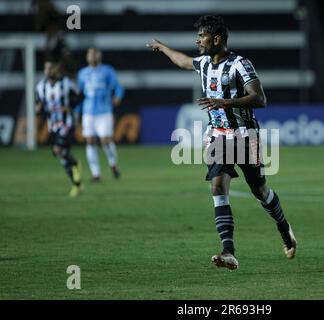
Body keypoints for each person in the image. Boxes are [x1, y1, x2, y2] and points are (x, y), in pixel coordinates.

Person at [148, 15, 297, 270]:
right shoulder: (204, 63)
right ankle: (228, 251)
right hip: (218, 135)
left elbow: (259, 98)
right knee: (217, 187)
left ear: (216, 39)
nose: (198, 41)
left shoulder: (240, 64)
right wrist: (162, 48)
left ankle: (284, 228)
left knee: (259, 190)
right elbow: (183, 61)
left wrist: (225, 102)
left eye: (202, 36)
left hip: (246, 136)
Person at [35, 59, 83, 197]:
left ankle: (77, 183)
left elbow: (80, 96)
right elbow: (39, 105)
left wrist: (70, 106)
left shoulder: (67, 84)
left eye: (52, 68)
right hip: (53, 126)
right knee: (63, 157)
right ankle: (76, 179)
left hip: (67, 123)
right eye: (47, 68)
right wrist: (38, 109)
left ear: (57, 69)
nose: (49, 71)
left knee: (57, 149)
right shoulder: (40, 87)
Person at [77, 48, 124, 182]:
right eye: (90, 54)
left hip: (104, 111)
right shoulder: (82, 73)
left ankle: (113, 163)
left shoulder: (108, 71)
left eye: (95, 53)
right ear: (87, 57)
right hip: (88, 112)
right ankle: (96, 173)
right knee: (90, 141)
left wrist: (118, 97)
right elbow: (80, 95)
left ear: (99, 56)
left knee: (105, 140)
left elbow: (118, 88)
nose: (92, 56)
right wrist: (76, 112)